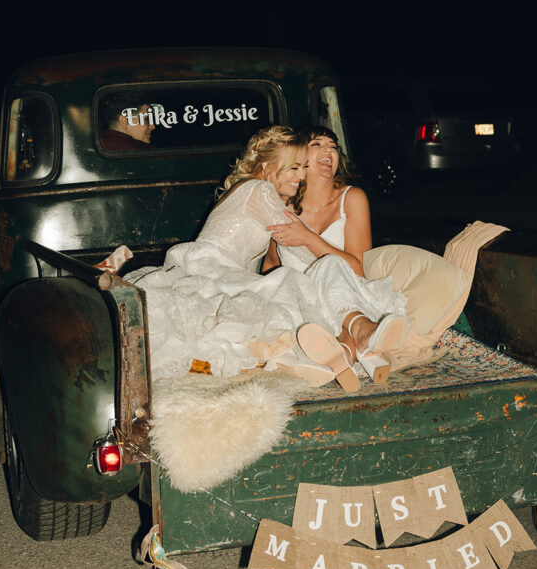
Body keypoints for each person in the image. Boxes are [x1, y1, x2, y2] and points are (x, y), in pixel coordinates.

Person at [125, 125, 407, 389]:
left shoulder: (260, 192)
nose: (299, 174)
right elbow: (298, 250)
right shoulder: (261, 190)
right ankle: (350, 341)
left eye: (301, 167)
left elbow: (285, 255)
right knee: (294, 283)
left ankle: (341, 349)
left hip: (220, 273)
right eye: (294, 167)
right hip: (213, 273)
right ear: (268, 167)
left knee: (285, 292)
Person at [262, 125, 396, 382]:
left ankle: (356, 336)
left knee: (331, 265)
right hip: (300, 307)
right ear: (298, 159)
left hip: (344, 295)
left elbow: (358, 270)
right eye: (317, 145)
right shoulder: (282, 205)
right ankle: (347, 352)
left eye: (333, 146)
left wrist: (308, 239)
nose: (329, 150)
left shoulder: (352, 198)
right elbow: (271, 263)